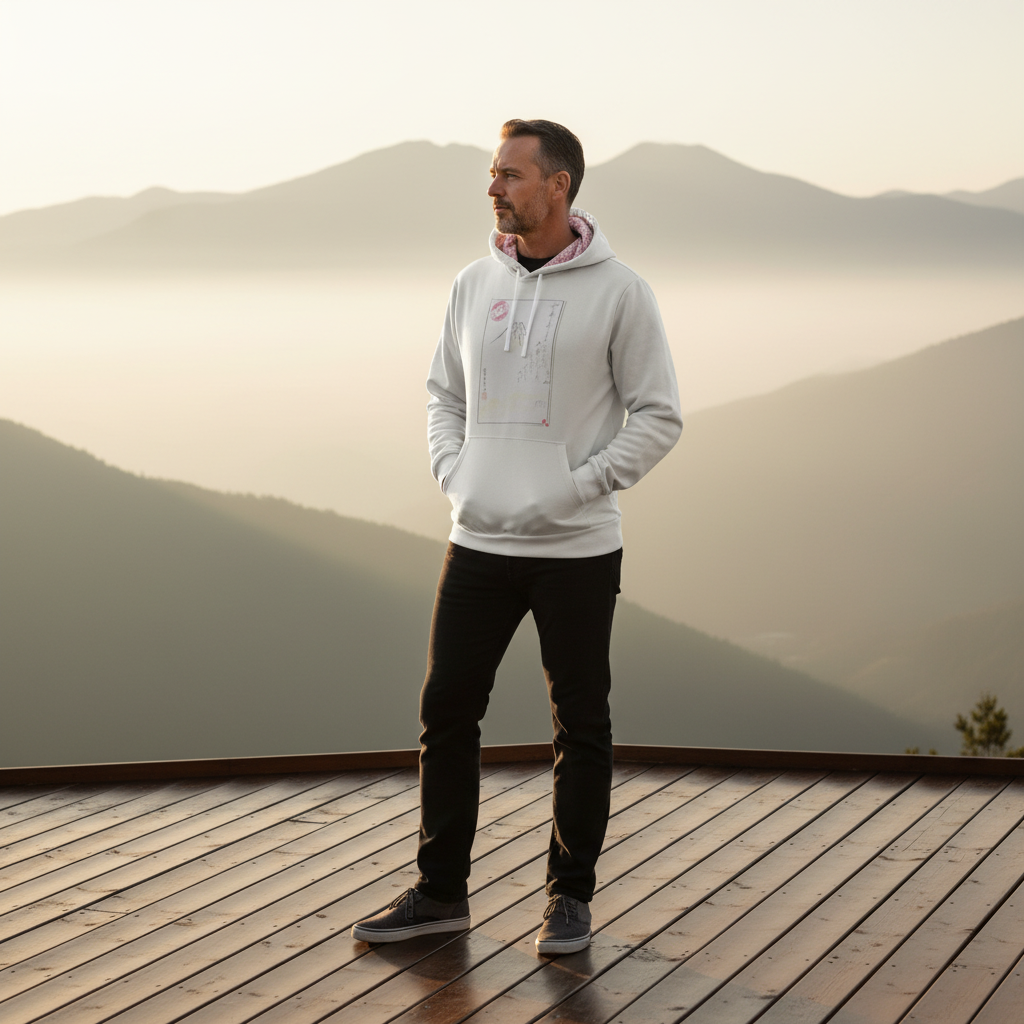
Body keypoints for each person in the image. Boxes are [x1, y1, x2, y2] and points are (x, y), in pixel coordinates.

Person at [352, 119, 682, 955]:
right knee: (446, 713)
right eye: (493, 173)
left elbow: (659, 416)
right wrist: (454, 472)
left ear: (559, 186)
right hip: (476, 543)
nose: (494, 187)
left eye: (511, 174)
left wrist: (575, 487)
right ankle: (440, 894)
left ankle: (570, 899)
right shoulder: (473, 283)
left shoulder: (621, 292)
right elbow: (443, 394)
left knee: (581, 725)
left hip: (575, 549)